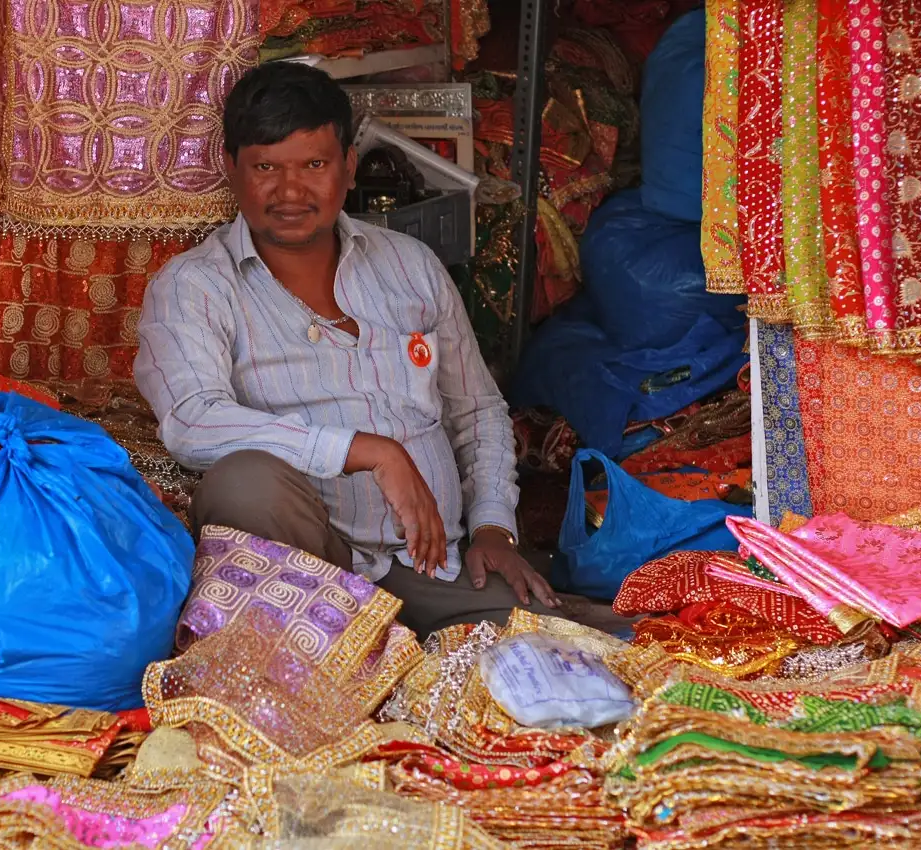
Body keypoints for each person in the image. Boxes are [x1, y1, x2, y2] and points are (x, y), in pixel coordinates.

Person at [134, 63, 631, 639]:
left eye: (314, 165)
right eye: (266, 167)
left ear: (349, 167)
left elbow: (476, 410)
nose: (290, 192)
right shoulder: (193, 285)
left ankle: (402, 642)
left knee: (574, 652)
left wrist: (494, 527)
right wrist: (368, 451)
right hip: (311, 570)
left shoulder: (408, 264)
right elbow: (191, 420)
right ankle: (324, 645)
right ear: (232, 170)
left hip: (430, 561)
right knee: (241, 482)